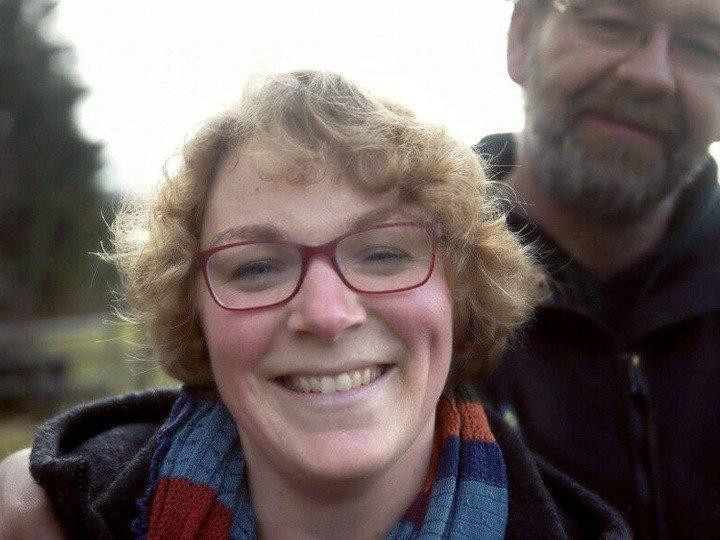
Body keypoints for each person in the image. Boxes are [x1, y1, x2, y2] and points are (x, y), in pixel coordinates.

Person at [0, 70, 629, 538]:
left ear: (461, 292)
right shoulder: (46, 517)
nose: (327, 315)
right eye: (256, 267)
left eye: (383, 254)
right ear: (194, 313)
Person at [479, 0, 720, 538]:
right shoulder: (396, 300)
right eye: (611, 23)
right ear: (522, 37)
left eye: (705, 46)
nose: (651, 75)